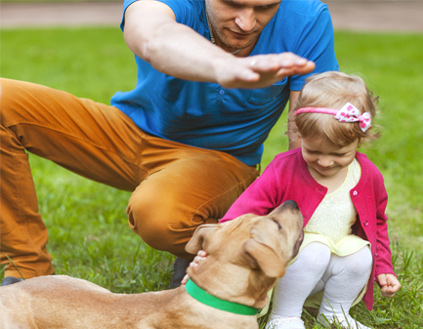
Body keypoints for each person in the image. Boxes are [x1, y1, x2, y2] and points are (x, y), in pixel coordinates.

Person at [0, 0, 338, 287]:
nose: (247, 22)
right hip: (130, 133)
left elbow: (306, 129)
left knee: (159, 215)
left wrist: (308, 227)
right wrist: (224, 66)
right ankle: (27, 272)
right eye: (232, 3)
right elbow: (153, 37)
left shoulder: (306, 17)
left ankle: (204, 245)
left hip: (221, 161)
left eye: (264, 8)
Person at [215, 71, 401, 329]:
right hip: (292, 264)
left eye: (339, 154)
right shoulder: (284, 168)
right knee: (315, 250)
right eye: (313, 151)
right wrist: (215, 247)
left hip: (332, 270)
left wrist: (383, 267)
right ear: (298, 134)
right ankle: (284, 316)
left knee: (360, 255)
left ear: (361, 139)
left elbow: (378, 225)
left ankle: (334, 312)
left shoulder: (367, 176)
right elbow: (244, 211)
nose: (325, 162)